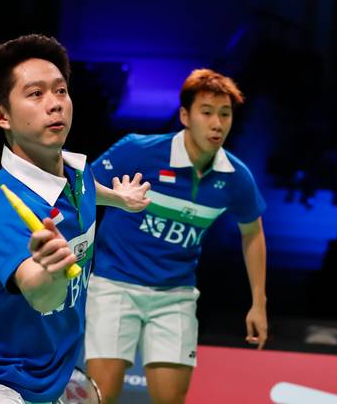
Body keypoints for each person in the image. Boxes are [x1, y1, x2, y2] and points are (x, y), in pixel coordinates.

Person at [0, 34, 150, 403]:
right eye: (35, 94)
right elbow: (41, 295)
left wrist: (120, 199)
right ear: (2, 116)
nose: (55, 105)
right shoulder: (3, 211)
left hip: (47, 381)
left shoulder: (77, 172)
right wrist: (50, 271)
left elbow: (87, 188)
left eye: (61, 91)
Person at [85, 69, 268, 403]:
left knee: (170, 400)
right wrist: (116, 199)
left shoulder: (236, 177)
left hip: (175, 295)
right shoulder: (138, 151)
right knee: (101, 396)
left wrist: (258, 302)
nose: (217, 124)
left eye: (225, 114)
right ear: (185, 116)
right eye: (207, 112)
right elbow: (81, 189)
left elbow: (252, 233)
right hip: (115, 285)